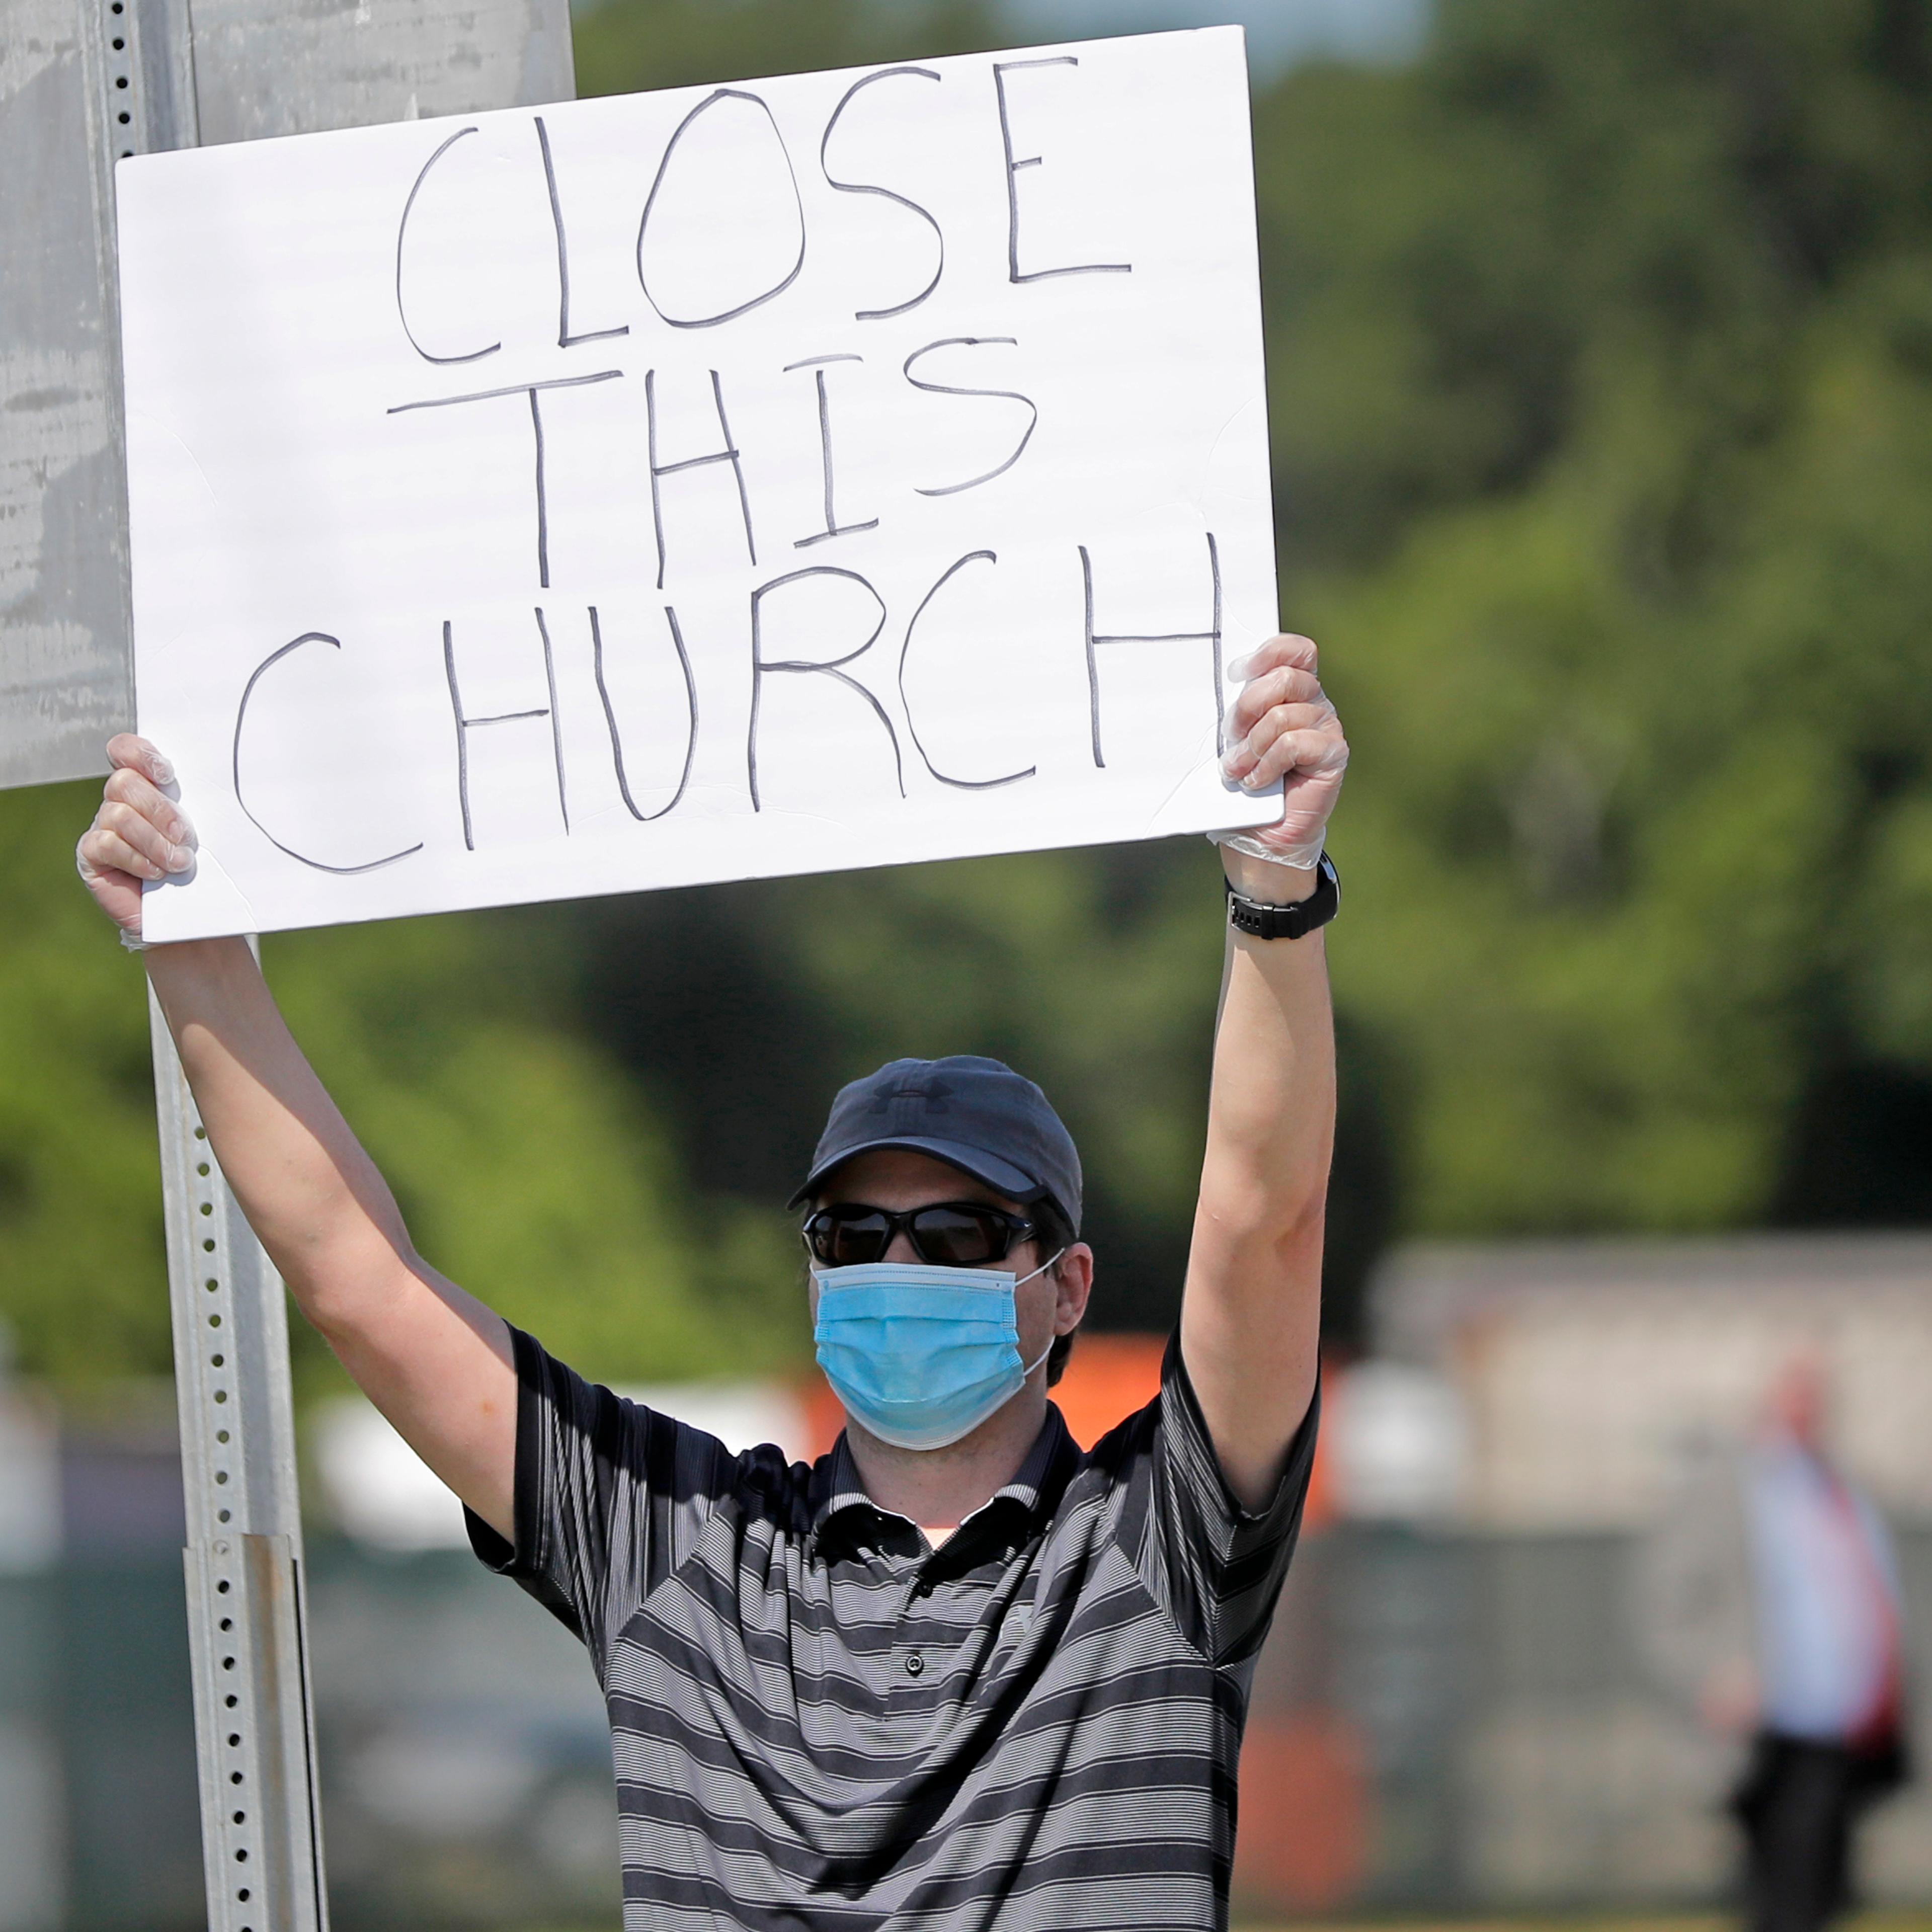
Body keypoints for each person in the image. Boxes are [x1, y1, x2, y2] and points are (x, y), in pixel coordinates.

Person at [75, 634, 1349, 1930]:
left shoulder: (1162, 1539)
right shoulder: (675, 1542)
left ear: (1065, 1284)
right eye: (853, 1236)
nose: (896, 1262)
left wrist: (1274, 887)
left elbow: (1264, 1220)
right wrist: (183, 932)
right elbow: (359, 1280)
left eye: (957, 1233)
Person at [1639, 1353, 1910, 1932]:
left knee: (1826, 1891)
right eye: (1795, 1393)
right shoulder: (1730, 1486)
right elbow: (1667, 1599)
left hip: (1848, 1722)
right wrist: (1710, 1675)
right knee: (1783, 1892)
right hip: (1773, 1725)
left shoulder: (1841, 1488)